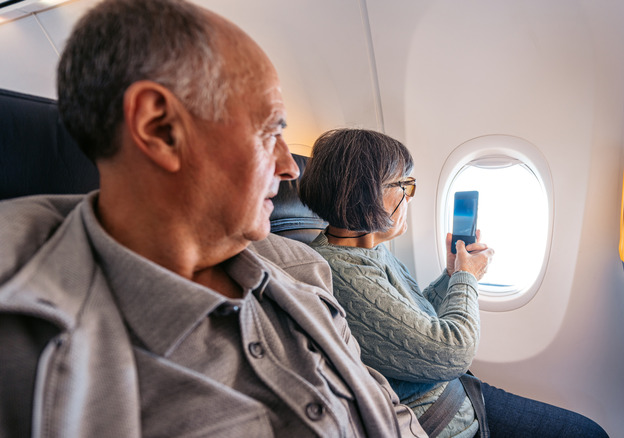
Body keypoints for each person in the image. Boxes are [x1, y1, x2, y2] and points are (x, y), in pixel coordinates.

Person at [0, 1, 426, 437]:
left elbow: (382, 404)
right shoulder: (20, 342)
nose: (292, 167)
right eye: (270, 132)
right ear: (161, 128)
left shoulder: (303, 269)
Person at [299, 128, 610, 438]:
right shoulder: (339, 272)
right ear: (365, 193)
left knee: (588, 432)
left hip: (459, 394)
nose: (409, 196)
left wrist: (450, 276)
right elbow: (453, 352)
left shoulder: (370, 250)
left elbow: (415, 325)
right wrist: (467, 277)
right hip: (441, 418)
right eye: (404, 185)